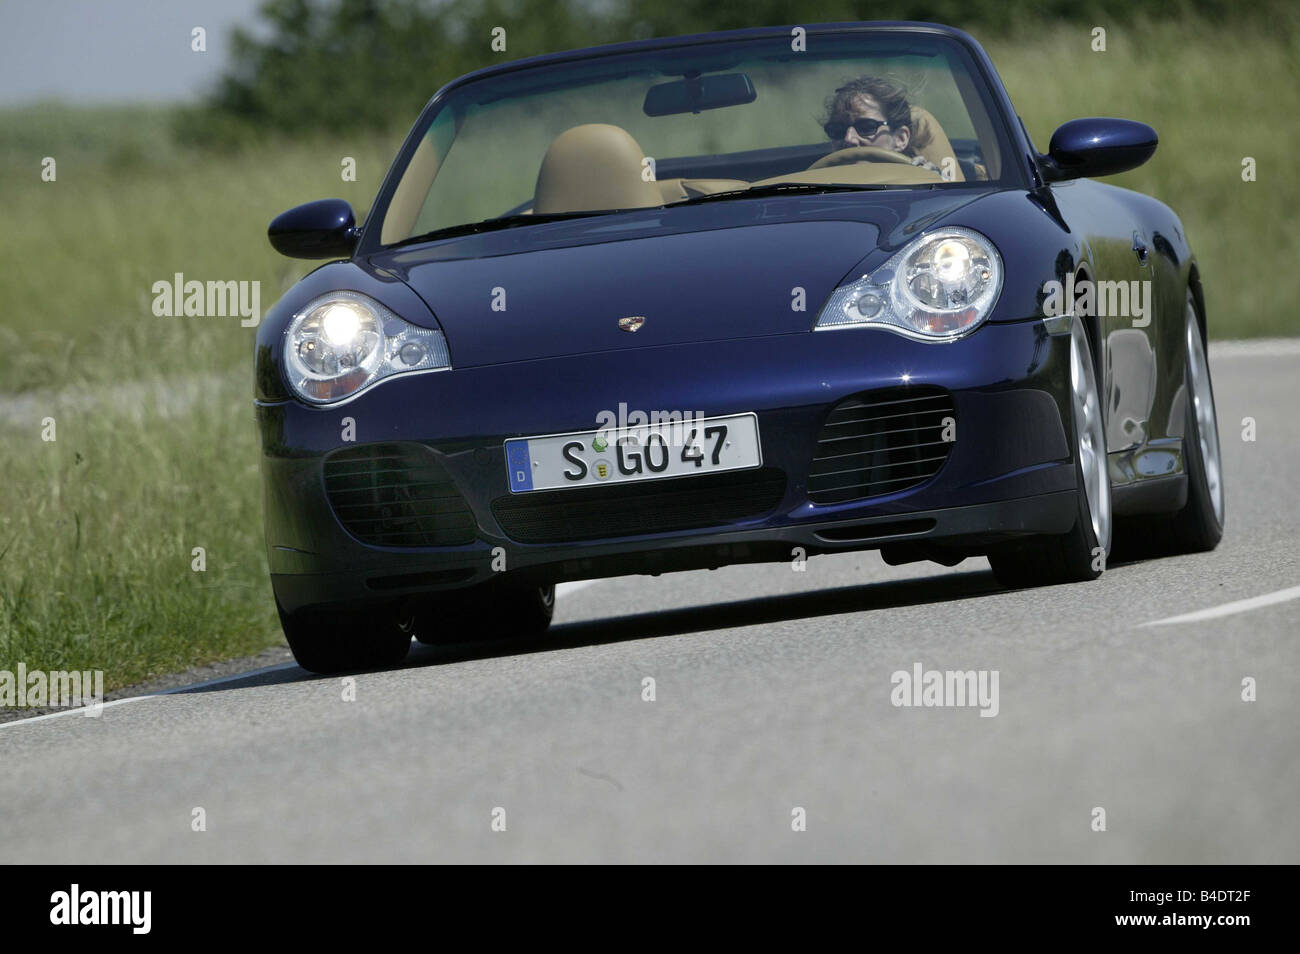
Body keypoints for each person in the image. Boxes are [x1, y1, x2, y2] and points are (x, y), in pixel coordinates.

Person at [821, 76, 941, 173]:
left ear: (900, 139)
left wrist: (930, 185)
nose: (849, 139)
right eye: (838, 130)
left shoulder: (920, 185)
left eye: (866, 127)